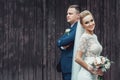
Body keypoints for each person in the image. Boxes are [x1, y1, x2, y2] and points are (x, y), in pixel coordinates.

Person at [72, 10, 103, 80]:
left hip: (94, 75)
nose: (91, 23)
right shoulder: (84, 37)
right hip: (86, 75)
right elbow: (77, 58)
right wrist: (91, 69)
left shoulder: (94, 36)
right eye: (86, 22)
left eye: (91, 20)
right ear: (82, 25)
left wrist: (101, 65)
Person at [56, 5, 80, 80]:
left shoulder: (77, 28)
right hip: (66, 66)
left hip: (71, 66)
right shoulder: (70, 28)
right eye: (67, 14)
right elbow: (61, 42)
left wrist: (60, 43)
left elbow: (66, 40)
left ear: (78, 16)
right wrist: (62, 46)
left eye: (70, 13)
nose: (68, 15)